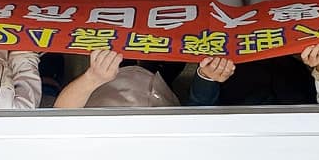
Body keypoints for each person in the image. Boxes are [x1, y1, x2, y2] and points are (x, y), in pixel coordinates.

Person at [54, 48, 236, 109]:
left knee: (126, 44)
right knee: (169, 57)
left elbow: (61, 115)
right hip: (161, 91)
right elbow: (199, 118)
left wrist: (92, 78)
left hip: (109, 81)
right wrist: (206, 78)